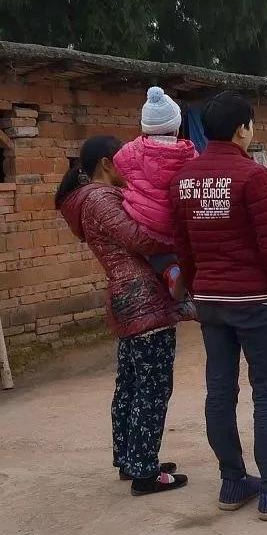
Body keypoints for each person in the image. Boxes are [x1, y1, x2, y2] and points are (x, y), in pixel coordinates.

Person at [170, 91, 267, 522]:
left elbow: (183, 245)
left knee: (220, 390)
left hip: (211, 303)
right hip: (254, 302)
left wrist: (196, 289)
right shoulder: (253, 177)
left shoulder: (185, 178)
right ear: (242, 129)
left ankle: (233, 481)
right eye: (251, 125)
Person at [56, 135, 188, 496]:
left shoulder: (89, 200)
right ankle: (145, 472)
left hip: (128, 298)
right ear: (105, 164)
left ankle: (132, 460)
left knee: (131, 384)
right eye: (122, 163)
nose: (128, 170)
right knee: (153, 387)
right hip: (142, 298)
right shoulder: (100, 198)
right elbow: (139, 238)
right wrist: (180, 239)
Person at [113, 86, 198, 307]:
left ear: (145, 129)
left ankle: (170, 272)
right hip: (178, 226)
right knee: (181, 248)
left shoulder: (128, 152)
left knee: (155, 252)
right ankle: (181, 275)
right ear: (176, 129)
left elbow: (118, 166)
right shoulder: (190, 154)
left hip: (146, 227)